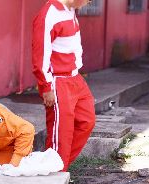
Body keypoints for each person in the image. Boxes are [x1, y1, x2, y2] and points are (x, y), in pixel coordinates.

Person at [32, 0, 96, 171]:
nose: (87, 4)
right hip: (58, 80)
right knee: (61, 135)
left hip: (75, 77)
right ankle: (54, 175)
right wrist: (46, 87)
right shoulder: (49, 14)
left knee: (87, 121)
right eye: (87, 0)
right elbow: (40, 55)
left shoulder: (70, 9)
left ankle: (59, 167)